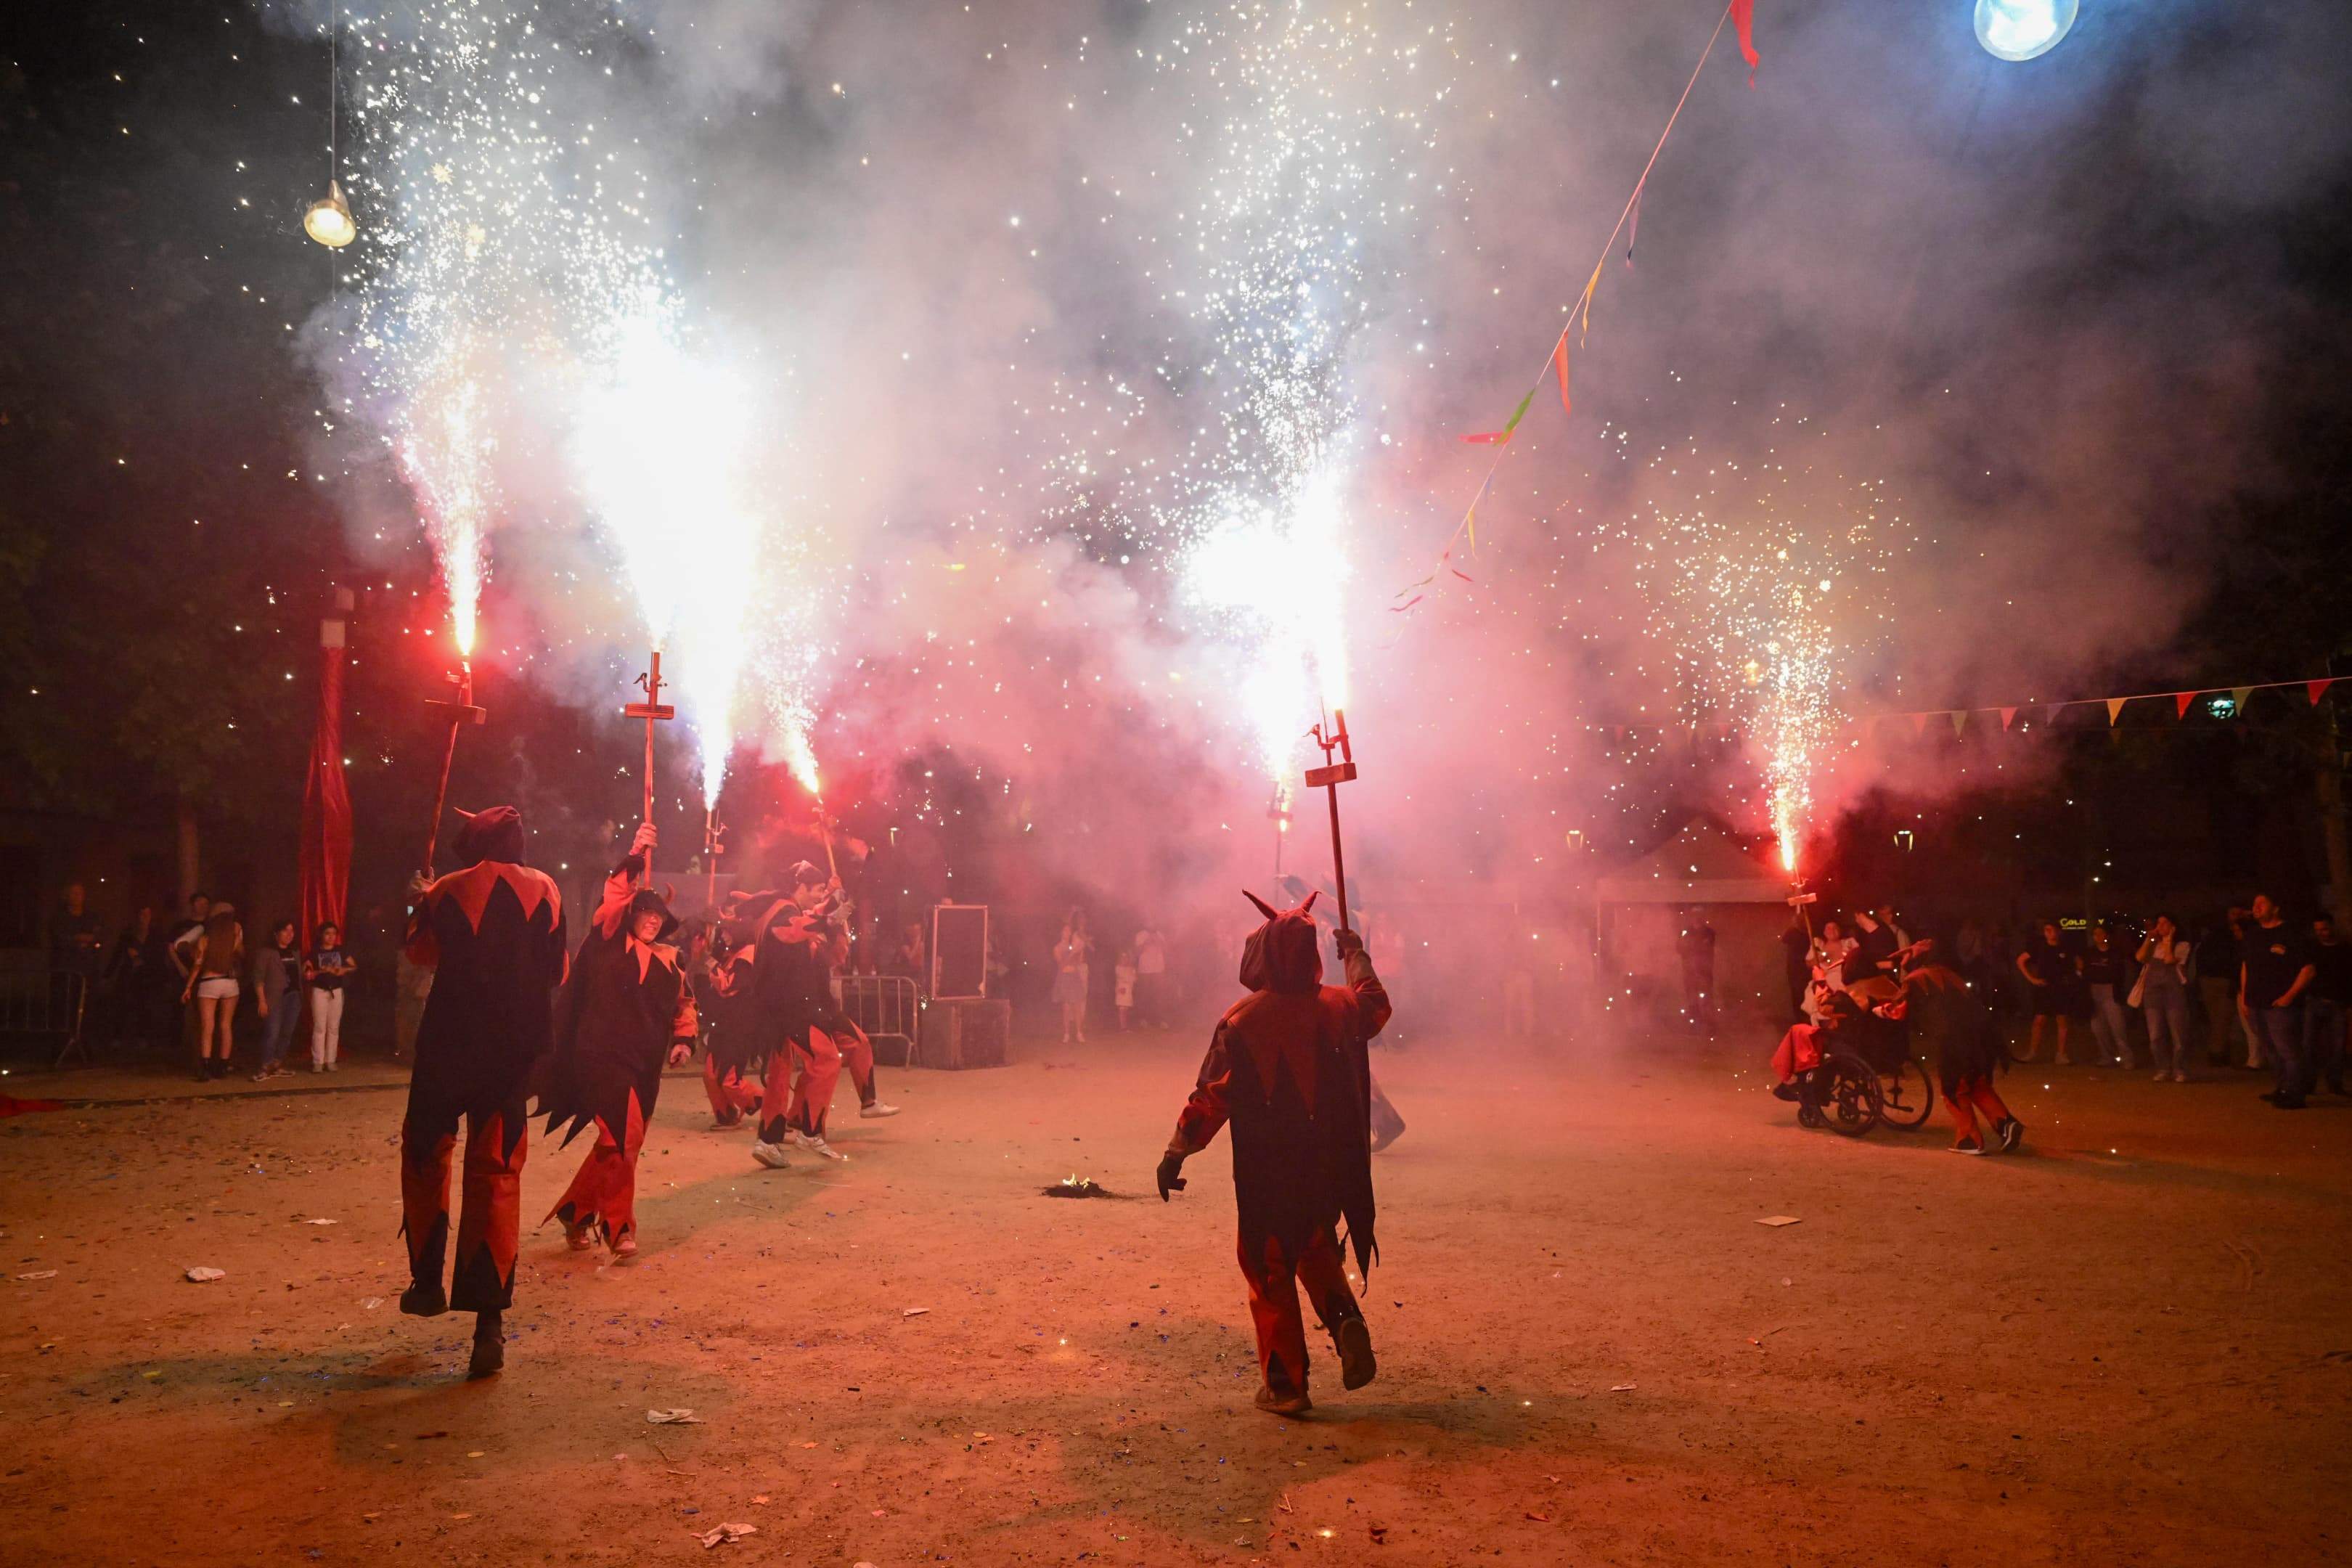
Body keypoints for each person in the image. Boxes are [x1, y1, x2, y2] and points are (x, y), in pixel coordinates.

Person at [1156, 892, 1390, 1416]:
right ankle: (1344, 1319)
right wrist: (1355, 953)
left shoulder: (1243, 1020)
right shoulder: (1340, 1006)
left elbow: (1212, 1096)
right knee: (1313, 1245)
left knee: (1270, 1268)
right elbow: (1375, 1001)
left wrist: (1176, 1153)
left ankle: (1286, 1387)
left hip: (1268, 1172)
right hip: (1326, 1169)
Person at [399, 805, 568, 1379]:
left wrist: (421, 899)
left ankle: (426, 1281)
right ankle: (488, 1326)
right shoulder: (547, 889)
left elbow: (420, 955)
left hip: (449, 1041)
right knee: (496, 1171)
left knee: (426, 1152)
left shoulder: (445, 888)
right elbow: (557, 971)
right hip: (511, 1049)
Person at [542, 828, 697, 1259]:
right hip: (602, 1056)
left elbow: (685, 1003)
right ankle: (618, 1227)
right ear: (630, 915)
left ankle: (575, 1211)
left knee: (619, 1141)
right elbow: (614, 897)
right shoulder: (609, 940)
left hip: (644, 1063)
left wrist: (684, 1039)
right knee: (623, 1136)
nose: (652, 920)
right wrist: (635, 852)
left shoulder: (671, 958)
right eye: (644, 912)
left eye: (658, 916)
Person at [743, 862, 898, 1169]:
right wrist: (830, 910)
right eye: (815, 892)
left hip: (785, 1006)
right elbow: (796, 930)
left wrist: (832, 912)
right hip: (789, 1006)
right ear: (800, 888)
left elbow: (824, 947)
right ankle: (809, 1131)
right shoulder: (782, 912)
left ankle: (769, 1140)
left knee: (781, 1072)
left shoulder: (785, 910)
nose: (816, 897)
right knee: (826, 1059)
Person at [1885, 949, 2021, 1155]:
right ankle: (2006, 1124)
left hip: (1954, 1039)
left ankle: (1970, 1140)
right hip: (1981, 1035)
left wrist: (1879, 1009)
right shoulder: (1948, 974)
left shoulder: (1915, 979)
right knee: (1976, 1083)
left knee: (1953, 1089)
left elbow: (1897, 1010)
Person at [2238, 893, 2316, 1110]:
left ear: (2276, 908)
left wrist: (2289, 996)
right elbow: (2246, 966)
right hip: (2255, 1003)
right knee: (2270, 1049)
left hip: (2280, 1005)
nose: (2256, 908)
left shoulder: (2291, 934)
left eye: (2262, 904)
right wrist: (2244, 997)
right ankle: (2282, 1088)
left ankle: (2295, 1093)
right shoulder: (2252, 935)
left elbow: (2308, 969)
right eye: (2254, 904)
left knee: (2288, 1049)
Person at [179, 902, 245, 1082]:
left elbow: (197, 965)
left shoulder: (205, 940)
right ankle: (223, 1066)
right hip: (230, 983)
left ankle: (205, 1066)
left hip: (209, 983)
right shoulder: (235, 936)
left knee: (207, 1026)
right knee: (226, 1025)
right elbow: (242, 954)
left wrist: (188, 987)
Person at [2133, 913, 2196, 1082]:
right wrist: (2148, 939)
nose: (2160, 926)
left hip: (2174, 994)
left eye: (2164, 923)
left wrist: (2169, 940)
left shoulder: (2182, 945)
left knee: (2178, 1034)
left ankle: (2179, 1069)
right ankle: (2163, 1067)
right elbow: (2139, 957)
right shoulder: (2154, 945)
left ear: (2173, 926)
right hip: (2153, 995)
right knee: (2155, 1035)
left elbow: (2169, 960)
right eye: (2158, 923)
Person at [2015, 921, 2079, 1065]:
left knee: (2062, 1020)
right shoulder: (2039, 946)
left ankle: (2061, 1054)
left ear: (2058, 931)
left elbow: (2075, 963)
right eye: (2046, 930)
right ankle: (2032, 1052)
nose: (2049, 933)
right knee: (2039, 1020)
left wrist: (2074, 977)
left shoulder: (2065, 948)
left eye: (2051, 930)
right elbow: (2020, 960)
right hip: (2044, 987)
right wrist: (2032, 979)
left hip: (2061, 988)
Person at [250, 919, 303, 1080]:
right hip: (274, 997)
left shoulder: (295, 953)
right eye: (285, 931)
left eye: (292, 931)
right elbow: (258, 978)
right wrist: (262, 1000)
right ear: (276, 933)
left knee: (287, 1032)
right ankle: (265, 1066)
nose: (289, 934)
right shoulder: (266, 953)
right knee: (272, 1032)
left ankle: (277, 1063)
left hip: (293, 997)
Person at [2306, 914, 2352, 1097]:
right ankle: (2308, 1083)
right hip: (2314, 1001)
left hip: (2337, 1003)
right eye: (2317, 930)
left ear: (2332, 927)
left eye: (2324, 929)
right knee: (2309, 1045)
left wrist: (2348, 1003)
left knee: (2337, 1046)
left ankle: (2334, 1082)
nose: (2321, 934)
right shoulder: (2313, 949)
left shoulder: (2345, 950)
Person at [2082, 925, 2134, 1069]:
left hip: (2111, 992)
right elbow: (2086, 971)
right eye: (2095, 934)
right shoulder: (2090, 953)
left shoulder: (2115, 953)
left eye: (2100, 933)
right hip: (2095, 991)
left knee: (2118, 1027)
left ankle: (2127, 1058)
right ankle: (2106, 1056)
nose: (2098, 936)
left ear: (2107, 935)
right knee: (2098, 1028)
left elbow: (2118, 973)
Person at [305, 922, 354, 1071]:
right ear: (322, 935)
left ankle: (331, 1059)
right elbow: (307, 970)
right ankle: (318, 1061)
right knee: (320, 1026)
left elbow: (354, 966)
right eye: (328, 933)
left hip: (337, 991)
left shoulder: (341, 950)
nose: (331, 937)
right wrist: (318, 972)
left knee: (334, 1027)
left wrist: (343, 970)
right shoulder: (314, 952)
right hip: (320, 991)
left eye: (334, 934)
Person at [1054, 910, 1093, 1043]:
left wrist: (1076, 954)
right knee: (1066, 1007)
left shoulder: (1072, 946)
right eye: (1065, 931)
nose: (1068, 933)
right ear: (1061, 933)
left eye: (1069, 931)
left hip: (1074, 976)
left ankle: (1079, 1033)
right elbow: (1061, 965)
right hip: (1064, 978)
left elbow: (1077, 962)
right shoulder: (1057, 948)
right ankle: (1066, 1034)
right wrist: (1072, 955)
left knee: (1077, 1005)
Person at [1675, 913, 1717, 1033]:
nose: (1697, 918)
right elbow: (1679, 948)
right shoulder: (1686, 932)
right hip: (1690, 973)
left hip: (1704, 972)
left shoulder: (1709, 933)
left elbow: (1706, 947)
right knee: (1692, 999)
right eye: (1694, 916)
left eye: (1699, 916)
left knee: (1706, 999)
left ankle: (1709, 1026)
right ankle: (1694, 1025)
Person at [1134, 926, 1168, 1027]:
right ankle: (1143, 1018)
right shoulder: (1140, 935)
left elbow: (1166, 950)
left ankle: (1161, 1019)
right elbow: (1136, 953)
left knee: (1160, 995)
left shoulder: (1160, 934)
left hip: (1159, 969)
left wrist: (1158, 941)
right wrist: (1146, 942)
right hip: (1145, 969)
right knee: (1144, 995)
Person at [1114, 947, 1138, 1031]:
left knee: (1126, 1009)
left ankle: (1125, 1026)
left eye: (1126, 958)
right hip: (1122, 990)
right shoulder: (1118, 968)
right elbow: (1121, 978)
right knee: (1122, 1009)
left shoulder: (1131, 969)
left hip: (1128, 991)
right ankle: (1123, 1027)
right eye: (1122, 958)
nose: (1124, 960)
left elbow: (1135, 979)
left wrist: (1133, 972)